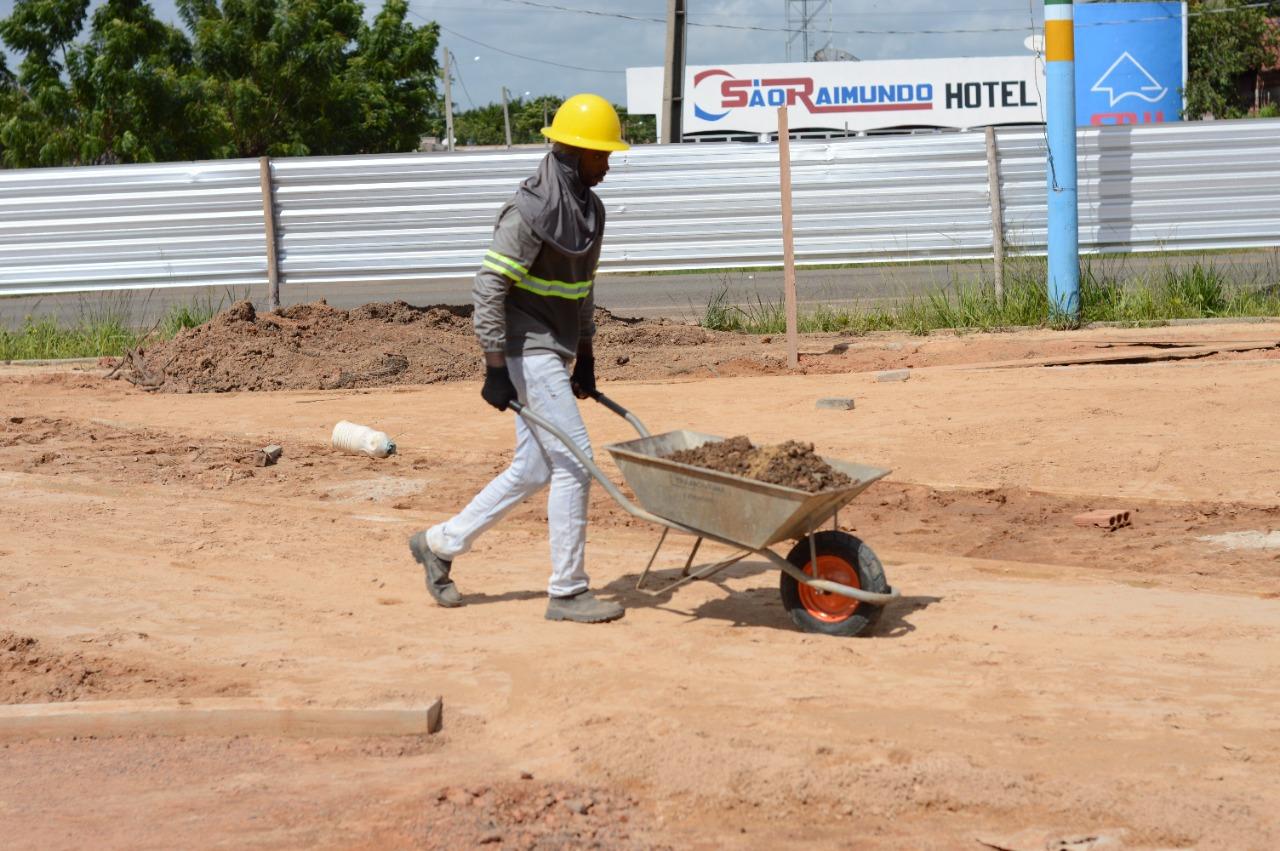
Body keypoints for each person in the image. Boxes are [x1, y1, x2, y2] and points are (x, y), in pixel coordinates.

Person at [408, 94, 629, 624]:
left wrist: (588, 357)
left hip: (554, 349)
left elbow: (581, 292)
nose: (609, 163)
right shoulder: (528, 212)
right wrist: (493, 367)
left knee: (533, 469)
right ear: (574, 155)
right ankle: (569, 591)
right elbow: (487, 289)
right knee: (576, 461)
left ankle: (438, 544)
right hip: (524, 350)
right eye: (601, 154)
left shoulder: (588, 213)